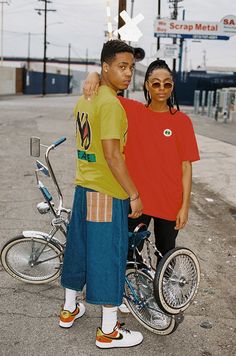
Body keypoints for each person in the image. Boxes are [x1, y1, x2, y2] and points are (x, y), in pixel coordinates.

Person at [60, 39, 143, 349]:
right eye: (121, 67)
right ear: (105, 67)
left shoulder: (87, 98)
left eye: (131, 68)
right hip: (106, 193)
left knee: (78, 249)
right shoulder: (109, 104)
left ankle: (69, 309)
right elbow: (112, 155)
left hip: (84, 187)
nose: (128, 74)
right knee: (108, 256)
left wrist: (96, 77)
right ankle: (108, 331)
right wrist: (133, 193)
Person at [84, 59, 200, 266]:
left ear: (173, 86)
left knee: (165, 255)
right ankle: (135, 294)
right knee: (129, 253)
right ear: (146, 85)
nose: (161, 89)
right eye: (156, 83)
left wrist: (185, 207)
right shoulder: (131, 111)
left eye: (167, 84)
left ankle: (162, 295)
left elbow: (186, 167)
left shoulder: (182, 122)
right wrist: (94, 76)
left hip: (169, 203)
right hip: (137, 201)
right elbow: (105, 89)